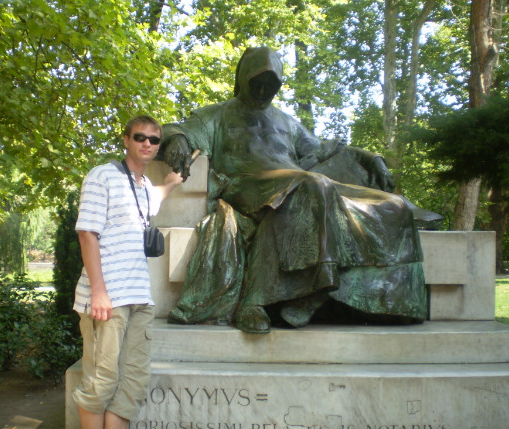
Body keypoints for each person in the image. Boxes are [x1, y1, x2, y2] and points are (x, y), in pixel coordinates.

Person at [159, 47, 429, 334]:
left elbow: (325, 148)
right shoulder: (216, 115)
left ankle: (395, 303)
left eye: (271, 84)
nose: (262, 90)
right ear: (242, 78)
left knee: (393, 204)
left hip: (297, 183)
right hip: (245, 185)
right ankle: (271, 297)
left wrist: (370, 158)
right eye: (256, 82)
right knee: (312, 184)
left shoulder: (286, 122)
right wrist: (177, 139)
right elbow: (174, 128)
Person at [72, 115, 183, 429]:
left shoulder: (144, 187)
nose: (147, 144)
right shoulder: (102, 176)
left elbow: (156, 196)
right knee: (101, 384)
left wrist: (172, 182)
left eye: (154, 140)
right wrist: (99, 293)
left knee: (131, 386)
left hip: (140, 300)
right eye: (140, 137)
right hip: (108, 299)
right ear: (126, 140)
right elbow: (87, 234)